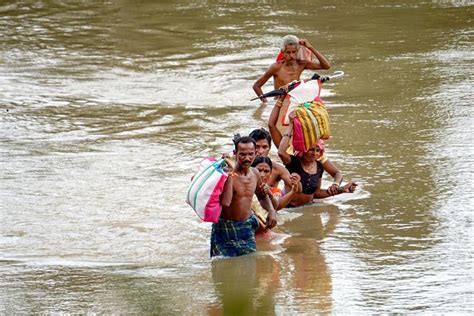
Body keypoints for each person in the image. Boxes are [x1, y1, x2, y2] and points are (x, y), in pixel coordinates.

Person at [210, 136, 277, 257]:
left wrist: (271, 210)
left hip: (246, 226)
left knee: (249, 266)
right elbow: (225, 202)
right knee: (223, 267)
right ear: (235, 153)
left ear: (256, 153)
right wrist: (230, 173)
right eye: (242, 154)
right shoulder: (224, 173)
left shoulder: (255, 173)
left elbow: (261, 196)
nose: (247, 158)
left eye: (251, 154)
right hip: (225, 227)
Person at [277, 113, 357, 207]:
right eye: (311, 149)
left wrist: (341, 189)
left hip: (308, 208)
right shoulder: (293, 162)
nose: (314, 153)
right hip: (289, 209)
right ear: (303, 150)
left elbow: (317, 193)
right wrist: (291, 125)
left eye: (318, 150)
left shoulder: (319, 166)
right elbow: (281, 152)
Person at [252, 35, 331, 103]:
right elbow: (256, 86)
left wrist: (311, 47)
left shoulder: (301, 64)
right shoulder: (276, 67)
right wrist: (265, 103)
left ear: (297, 51)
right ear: (283, 52)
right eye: (288, 52)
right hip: (279, 101)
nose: (292, 55)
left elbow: (326, 66)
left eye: (294, 52)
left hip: (295, 99)